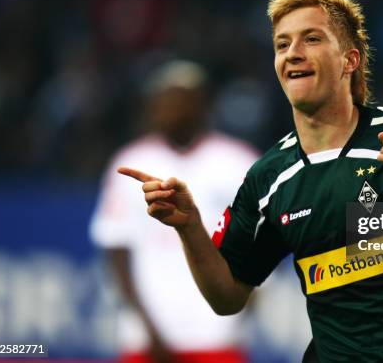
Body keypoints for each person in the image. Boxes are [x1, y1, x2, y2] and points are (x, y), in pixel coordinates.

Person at [119, 0, 383, 363]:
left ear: (349, 60)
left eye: (311, 39)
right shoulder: (270, 177)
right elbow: (227, 298)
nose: (293, 53)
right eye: (282, 44)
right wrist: (189, 228)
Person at [90, 60, 257, 363]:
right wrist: (146, 327)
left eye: (179, 100)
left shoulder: (237, 161)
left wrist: (246, 304)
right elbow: (117, 250)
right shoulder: (132, 161)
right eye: (163, 100)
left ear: (202, 104)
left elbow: (261, 241)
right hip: (146, 336)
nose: (169, 109)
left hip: (215, 332)